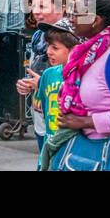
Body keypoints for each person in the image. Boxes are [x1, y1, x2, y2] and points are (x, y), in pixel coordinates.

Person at [44, 0, 110, 171]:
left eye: (77, 14)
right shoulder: (87, 54)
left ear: (95, 20)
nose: (71, 19)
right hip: (90, 150)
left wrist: (86, 121)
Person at [17, 19, 79, 168]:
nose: (48, 51)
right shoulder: (48, 75)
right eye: (47, 46)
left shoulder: (81, 76)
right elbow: (44, 113)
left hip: (72, 151)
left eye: (55, 48)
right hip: (49, 147)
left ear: (74, 49)